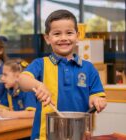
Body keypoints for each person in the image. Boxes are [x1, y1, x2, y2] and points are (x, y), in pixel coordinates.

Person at [18, 9, 107, 140]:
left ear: (77, 35)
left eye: (69, 33)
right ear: (47, 38)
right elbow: (22, 80)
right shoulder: (40, 64)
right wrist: (38, 85)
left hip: (79, 135)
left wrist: (98, 101)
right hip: (44, 136)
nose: (64, 38)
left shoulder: (89, 68)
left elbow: (96, 96)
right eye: (57, 34)